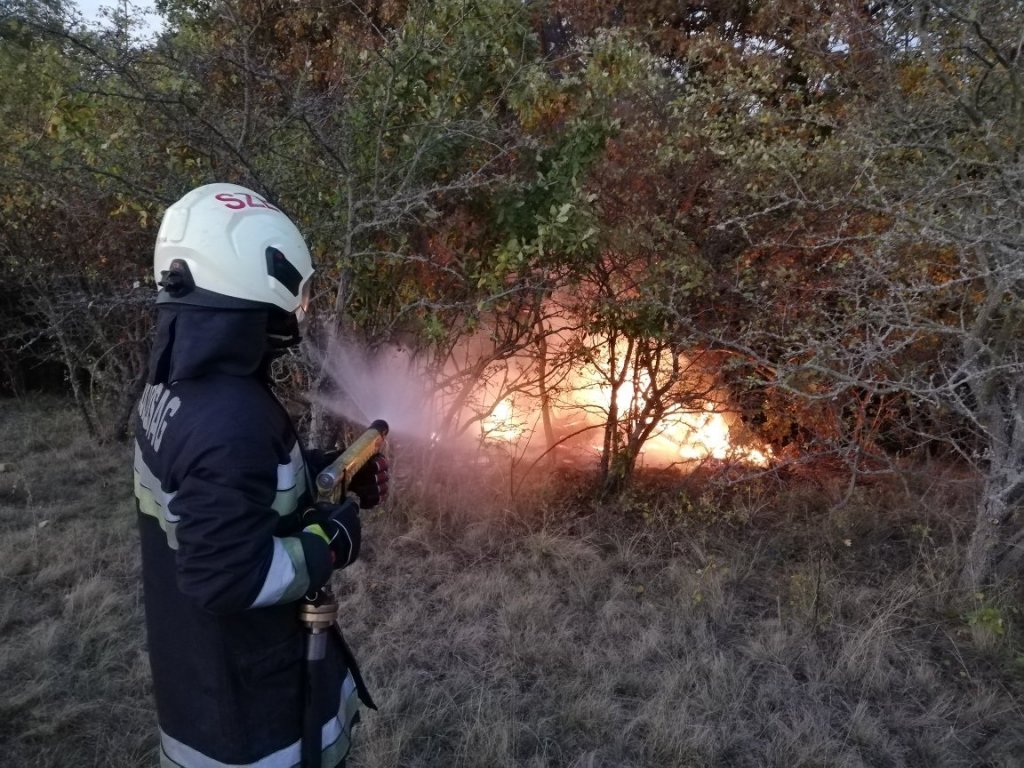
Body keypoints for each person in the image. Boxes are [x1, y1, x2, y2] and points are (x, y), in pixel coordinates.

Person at [132, 182, 388, 768]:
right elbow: (227, 578)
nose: (295, 315)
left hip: (201, 688)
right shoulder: (231, 421)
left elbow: (225, 497)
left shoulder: (177, 387)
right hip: (255, 726)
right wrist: (328, 542)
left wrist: (328, 475)